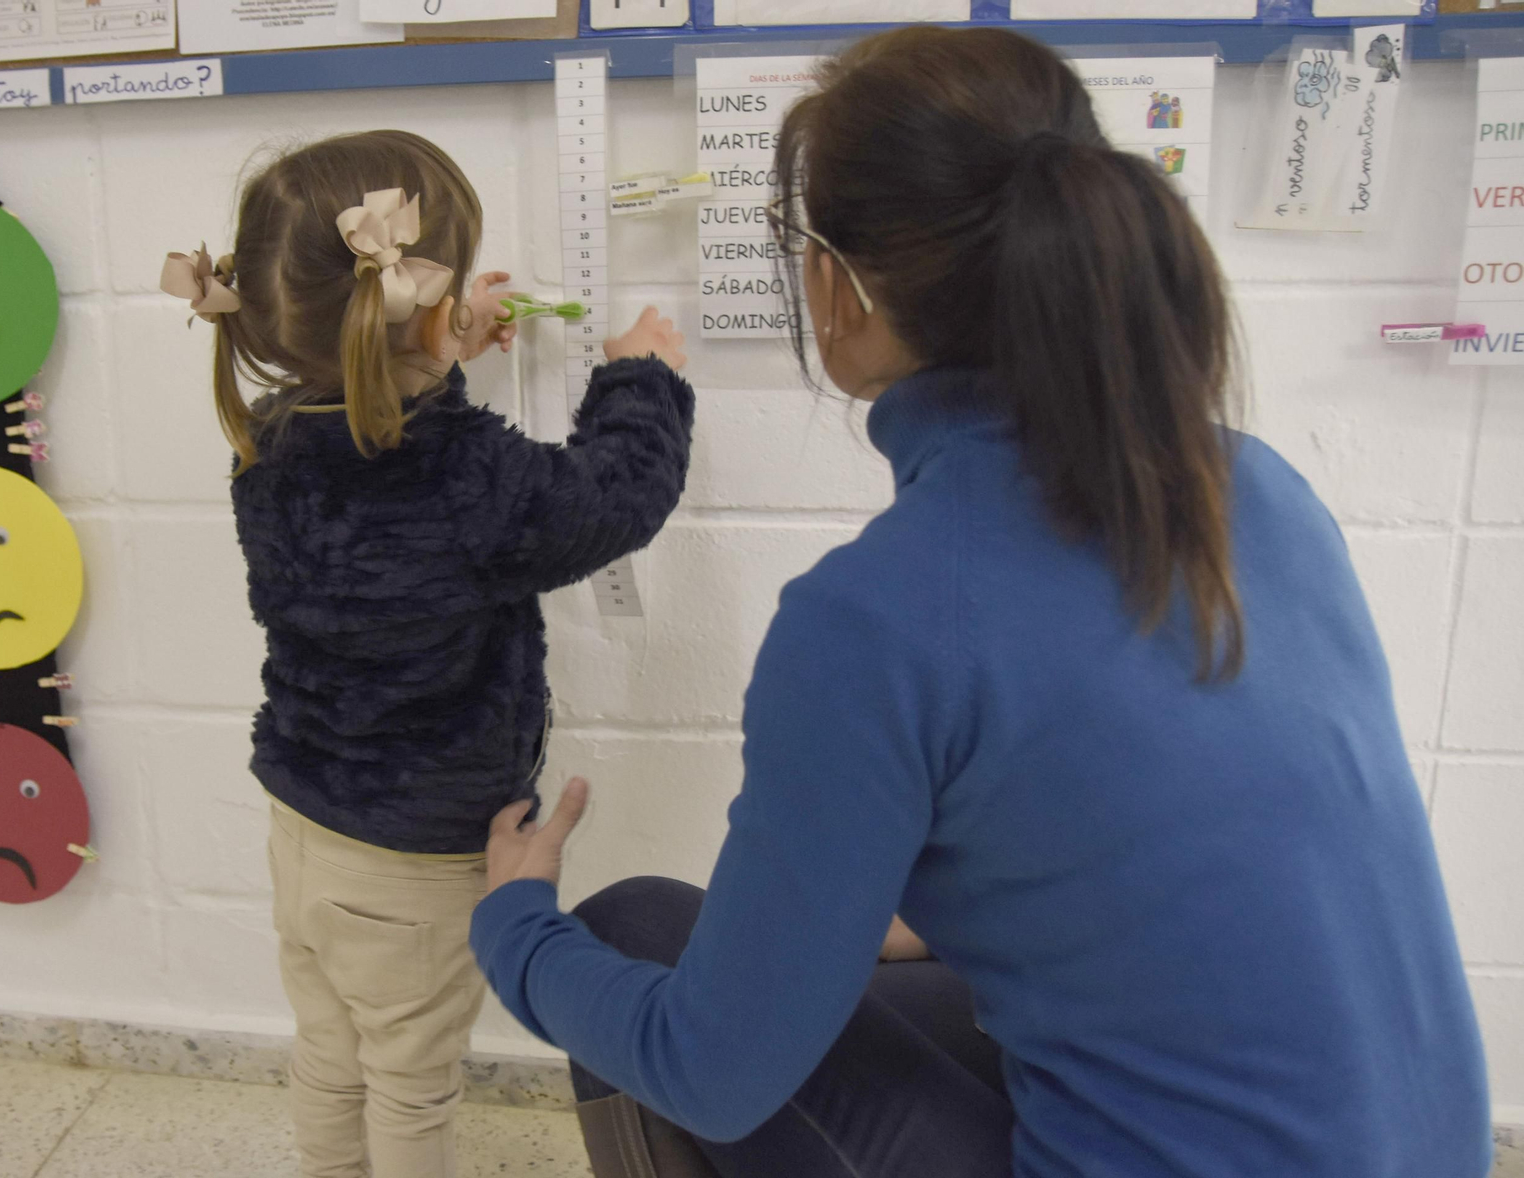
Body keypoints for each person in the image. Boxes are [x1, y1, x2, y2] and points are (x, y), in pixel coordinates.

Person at [470, 28, 1493, 1178]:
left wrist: (513, 928)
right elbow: (1159, 854)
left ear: (839, 286)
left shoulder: (876, 615)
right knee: (797, 961)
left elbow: (714, 1068)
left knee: (629, 935)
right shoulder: (1252, 487)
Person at [160, 130, 693, 1178]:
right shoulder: (466, 478)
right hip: (414, 858)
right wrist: (641, 378)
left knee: (329, 1051)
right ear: (419, 305)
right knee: (410, 1080)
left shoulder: (269, 436)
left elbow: (381, 435)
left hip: (302, 824)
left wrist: (440, 345)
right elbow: (613, 498)